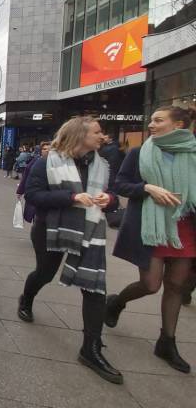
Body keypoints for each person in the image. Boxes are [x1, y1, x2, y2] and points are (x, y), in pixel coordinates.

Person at [17, 116, 122, 384]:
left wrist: (108, 200)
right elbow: (34, 195)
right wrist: (72, 197)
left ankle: (91, 348)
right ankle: (26, 299)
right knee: (45, 273)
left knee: (95, 287)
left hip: (89, 231)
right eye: (97, 132)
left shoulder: (103, 165)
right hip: (51, 229)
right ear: (79, 135)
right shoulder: (45, 162)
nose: (102, 136)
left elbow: (113, 199)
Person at [106, 106, 196, 373]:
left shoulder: (192, 153)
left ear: (178, 124)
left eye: (159, 120)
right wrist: (147, 188)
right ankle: (117, 302)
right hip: (151, 227)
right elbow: (119, 185)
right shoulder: (139, 152)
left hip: (184, 227)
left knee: (176, 286)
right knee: (151, 284)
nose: (151, 125)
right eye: (151, 120)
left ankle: (166, 342)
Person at [16, 141, 51, 223]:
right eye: (44, 149)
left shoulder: (58, 164)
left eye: (50, 149)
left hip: (50, 198)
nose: (47, 151)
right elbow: (26, 176)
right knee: (37, 220)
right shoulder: (35, 162)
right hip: (37, 196)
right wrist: (20, 191)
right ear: (41, 151)